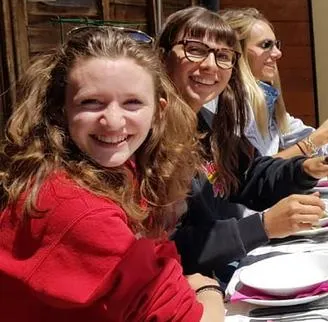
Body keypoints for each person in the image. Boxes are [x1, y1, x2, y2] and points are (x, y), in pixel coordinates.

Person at [0, 28, 223, 321]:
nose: (113, 121)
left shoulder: (121, 170)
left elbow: (158, 257)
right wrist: (210, 288)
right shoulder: (77, 208)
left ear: (158, 111)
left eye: (132, 103)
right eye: (91, 103)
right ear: (60, 110)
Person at [160, 7, 328, 278]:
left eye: (223, 56)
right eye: (196, 50)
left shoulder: (207, 122)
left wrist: (304, 169)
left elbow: (250, 175)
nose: (211, 65)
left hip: (231, 264)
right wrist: (262, 226)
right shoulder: (152, 134)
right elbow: (171, 246)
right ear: (163, 55)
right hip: (198, 287)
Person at [217, 7, 328, 157]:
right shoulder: (227, 103)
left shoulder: (266, 100)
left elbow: (325, 148)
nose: (278, 53)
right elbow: (253, 175)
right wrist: (316, 140)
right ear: (235, 51)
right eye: (266, 45)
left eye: (276, 45)